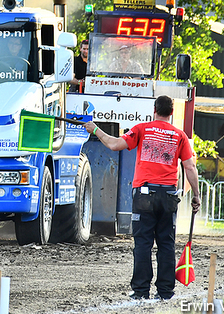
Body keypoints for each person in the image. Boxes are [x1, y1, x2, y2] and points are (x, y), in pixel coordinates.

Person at [83, 95, 201, 301]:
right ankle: (165, 292)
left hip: (144, 195)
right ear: (172, 113)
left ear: (154, 109)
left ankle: (140, 291)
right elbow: (189, 167)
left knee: (143, 244)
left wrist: (95, 130)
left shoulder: (142, 129)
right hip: (168, 196)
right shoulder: (179, 135)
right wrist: (196, 196)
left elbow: (114, 144)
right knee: (166, 244)